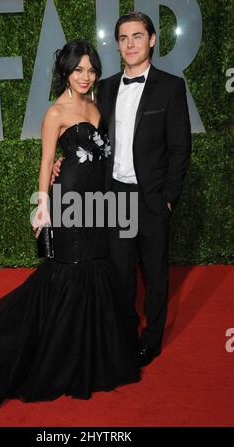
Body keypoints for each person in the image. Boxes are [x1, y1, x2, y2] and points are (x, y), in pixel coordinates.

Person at [0, 39, 141, 417]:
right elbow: (47, 162)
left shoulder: (97, 107)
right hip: (69, 205)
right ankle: (55, 360)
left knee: (95, 269)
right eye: (78, 69)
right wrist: (42, 207)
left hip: (99, 206)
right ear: (65, 71)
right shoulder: (55, 112)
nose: (85, 76)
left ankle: (88, 359)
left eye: (91, 69)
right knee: (68, 272)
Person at [53, 13, 192, 367]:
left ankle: (151, 340)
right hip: (115, 196)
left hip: (152, 197)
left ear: (153, 40)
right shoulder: (108, 86)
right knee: (119, 271)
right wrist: (64, 162)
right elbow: (92, 138)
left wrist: (169, 197)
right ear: (117, 44)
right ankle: (124, 335)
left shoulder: (171, 86)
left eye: (137, 36)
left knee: (156, 275)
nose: (130, 44)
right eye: (124, 38)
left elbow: (180, 147)